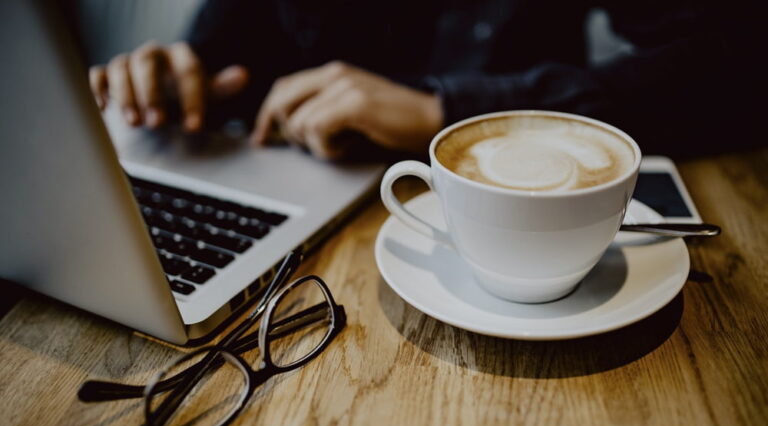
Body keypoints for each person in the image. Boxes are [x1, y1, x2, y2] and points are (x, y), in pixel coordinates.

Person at [89, 0, 767, 160]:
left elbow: (737, 61)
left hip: (501, 185)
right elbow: (237, 35)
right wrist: (187, 73)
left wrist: (450, 109)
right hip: (298, 184)